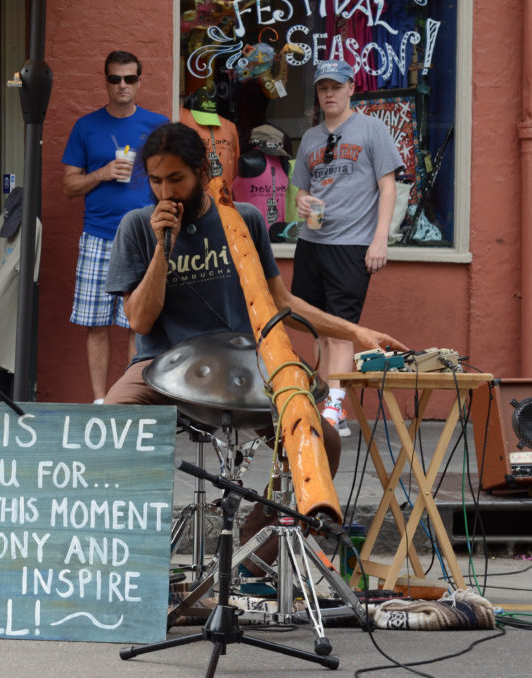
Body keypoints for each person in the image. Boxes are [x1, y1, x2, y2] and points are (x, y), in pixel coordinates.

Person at [103, 122, 407, 566]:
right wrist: (161, 250)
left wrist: (356, 333)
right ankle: (130, 559)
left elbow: (280, 300)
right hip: (162, 365)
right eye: (155, 180)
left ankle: (254, 551)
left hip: (243, 365)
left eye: (175, 179)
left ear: (202, 173)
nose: (165, 190)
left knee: (321, 440)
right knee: (110, 422)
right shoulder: (137, 226)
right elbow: (140, 319)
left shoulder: (242, 219)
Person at [290, 59, 402, 436]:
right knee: (319, 329)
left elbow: (389, 187)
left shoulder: (372, 129)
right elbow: (303, 191)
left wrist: (380, 239)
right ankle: (323, 401)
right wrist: (303, 202)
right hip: (311, 242)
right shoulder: (310, 138)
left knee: (341, 331)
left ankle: (336, 411)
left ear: (351, 88)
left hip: (352, 244)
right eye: (323, 88)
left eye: (336, 87)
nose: (329, 94)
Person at [62, 51, 169, 403]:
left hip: (141, 238)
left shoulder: (156, 125)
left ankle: (128, 401)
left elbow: (172, 174)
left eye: (129, 79)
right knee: (96, 324)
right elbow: (68, 186)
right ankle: (99, 401)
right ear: (105, 80)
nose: (122, 85)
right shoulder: (86, 127)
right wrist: (104, 172)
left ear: (139, 81)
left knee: (138, 325)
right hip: (97, 236)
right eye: (115, 79)